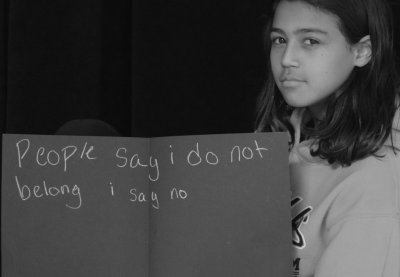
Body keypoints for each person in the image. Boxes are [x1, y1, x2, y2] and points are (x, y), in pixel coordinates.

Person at [255, 0, 400, 276]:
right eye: (279, 39)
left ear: (362, 51)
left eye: (310, 41)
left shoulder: (377, 178)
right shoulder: (282, 144)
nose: (287, 59)